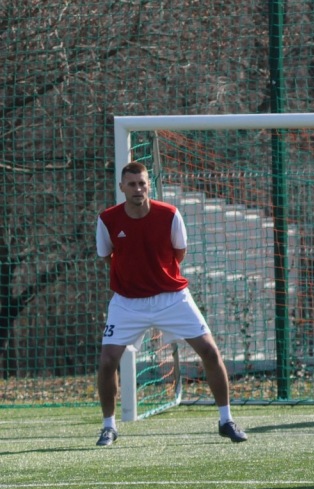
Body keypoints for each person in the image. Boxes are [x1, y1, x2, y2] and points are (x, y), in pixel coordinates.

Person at [94, 161, 246, 446]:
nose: (138, 189)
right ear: (122, 187)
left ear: (148, 185)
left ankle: (226, 420)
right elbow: (106, 256)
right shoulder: (108, 219)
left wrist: (157, 278)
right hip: (127, 302)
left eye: (142, 183)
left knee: (209, 351)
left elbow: (179, 253)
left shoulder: (170, 214)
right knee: (107, 361)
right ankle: (108, 427)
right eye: (132, 184)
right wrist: (133, 279)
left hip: (172, 297)